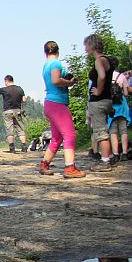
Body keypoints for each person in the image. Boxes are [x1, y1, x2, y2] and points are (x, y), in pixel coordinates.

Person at [38, 41, 86, 178]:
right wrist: (70, 82)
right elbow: (56, 80)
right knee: (70, 135)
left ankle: (44, 164)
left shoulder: (46, 65)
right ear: (58, 51)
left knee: (57, 138)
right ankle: (70, 168)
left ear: (45, 52)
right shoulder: (56, 63)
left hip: (50, 103)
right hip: (57, 103)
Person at [85, 34, 116, 172]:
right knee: (104, 130)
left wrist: (98, 90)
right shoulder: (107, 60)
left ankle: (105, 161)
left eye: (86, 45)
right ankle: (108, 156)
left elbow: (102, 76)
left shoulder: (99, 60)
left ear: (92, 46)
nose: (85, 48)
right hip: (107, 99)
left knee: (100, 131)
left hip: (99, 101)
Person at [0, 75, 28, 153]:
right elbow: (24, 100)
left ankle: (12, 148)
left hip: (8, 111)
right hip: (18, 111)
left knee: (9, 130)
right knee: (20, 129)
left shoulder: (5, 89)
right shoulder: (20, 89)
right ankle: (24, 147)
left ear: (6, 81)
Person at [108, 70, 130, 163]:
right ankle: (124, 153)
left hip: (111, 106)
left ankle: (115, 154)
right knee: (123, 131)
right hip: (122, 105)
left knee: (113, 132)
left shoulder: (105, 76)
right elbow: (126, 93)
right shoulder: (122, 76)